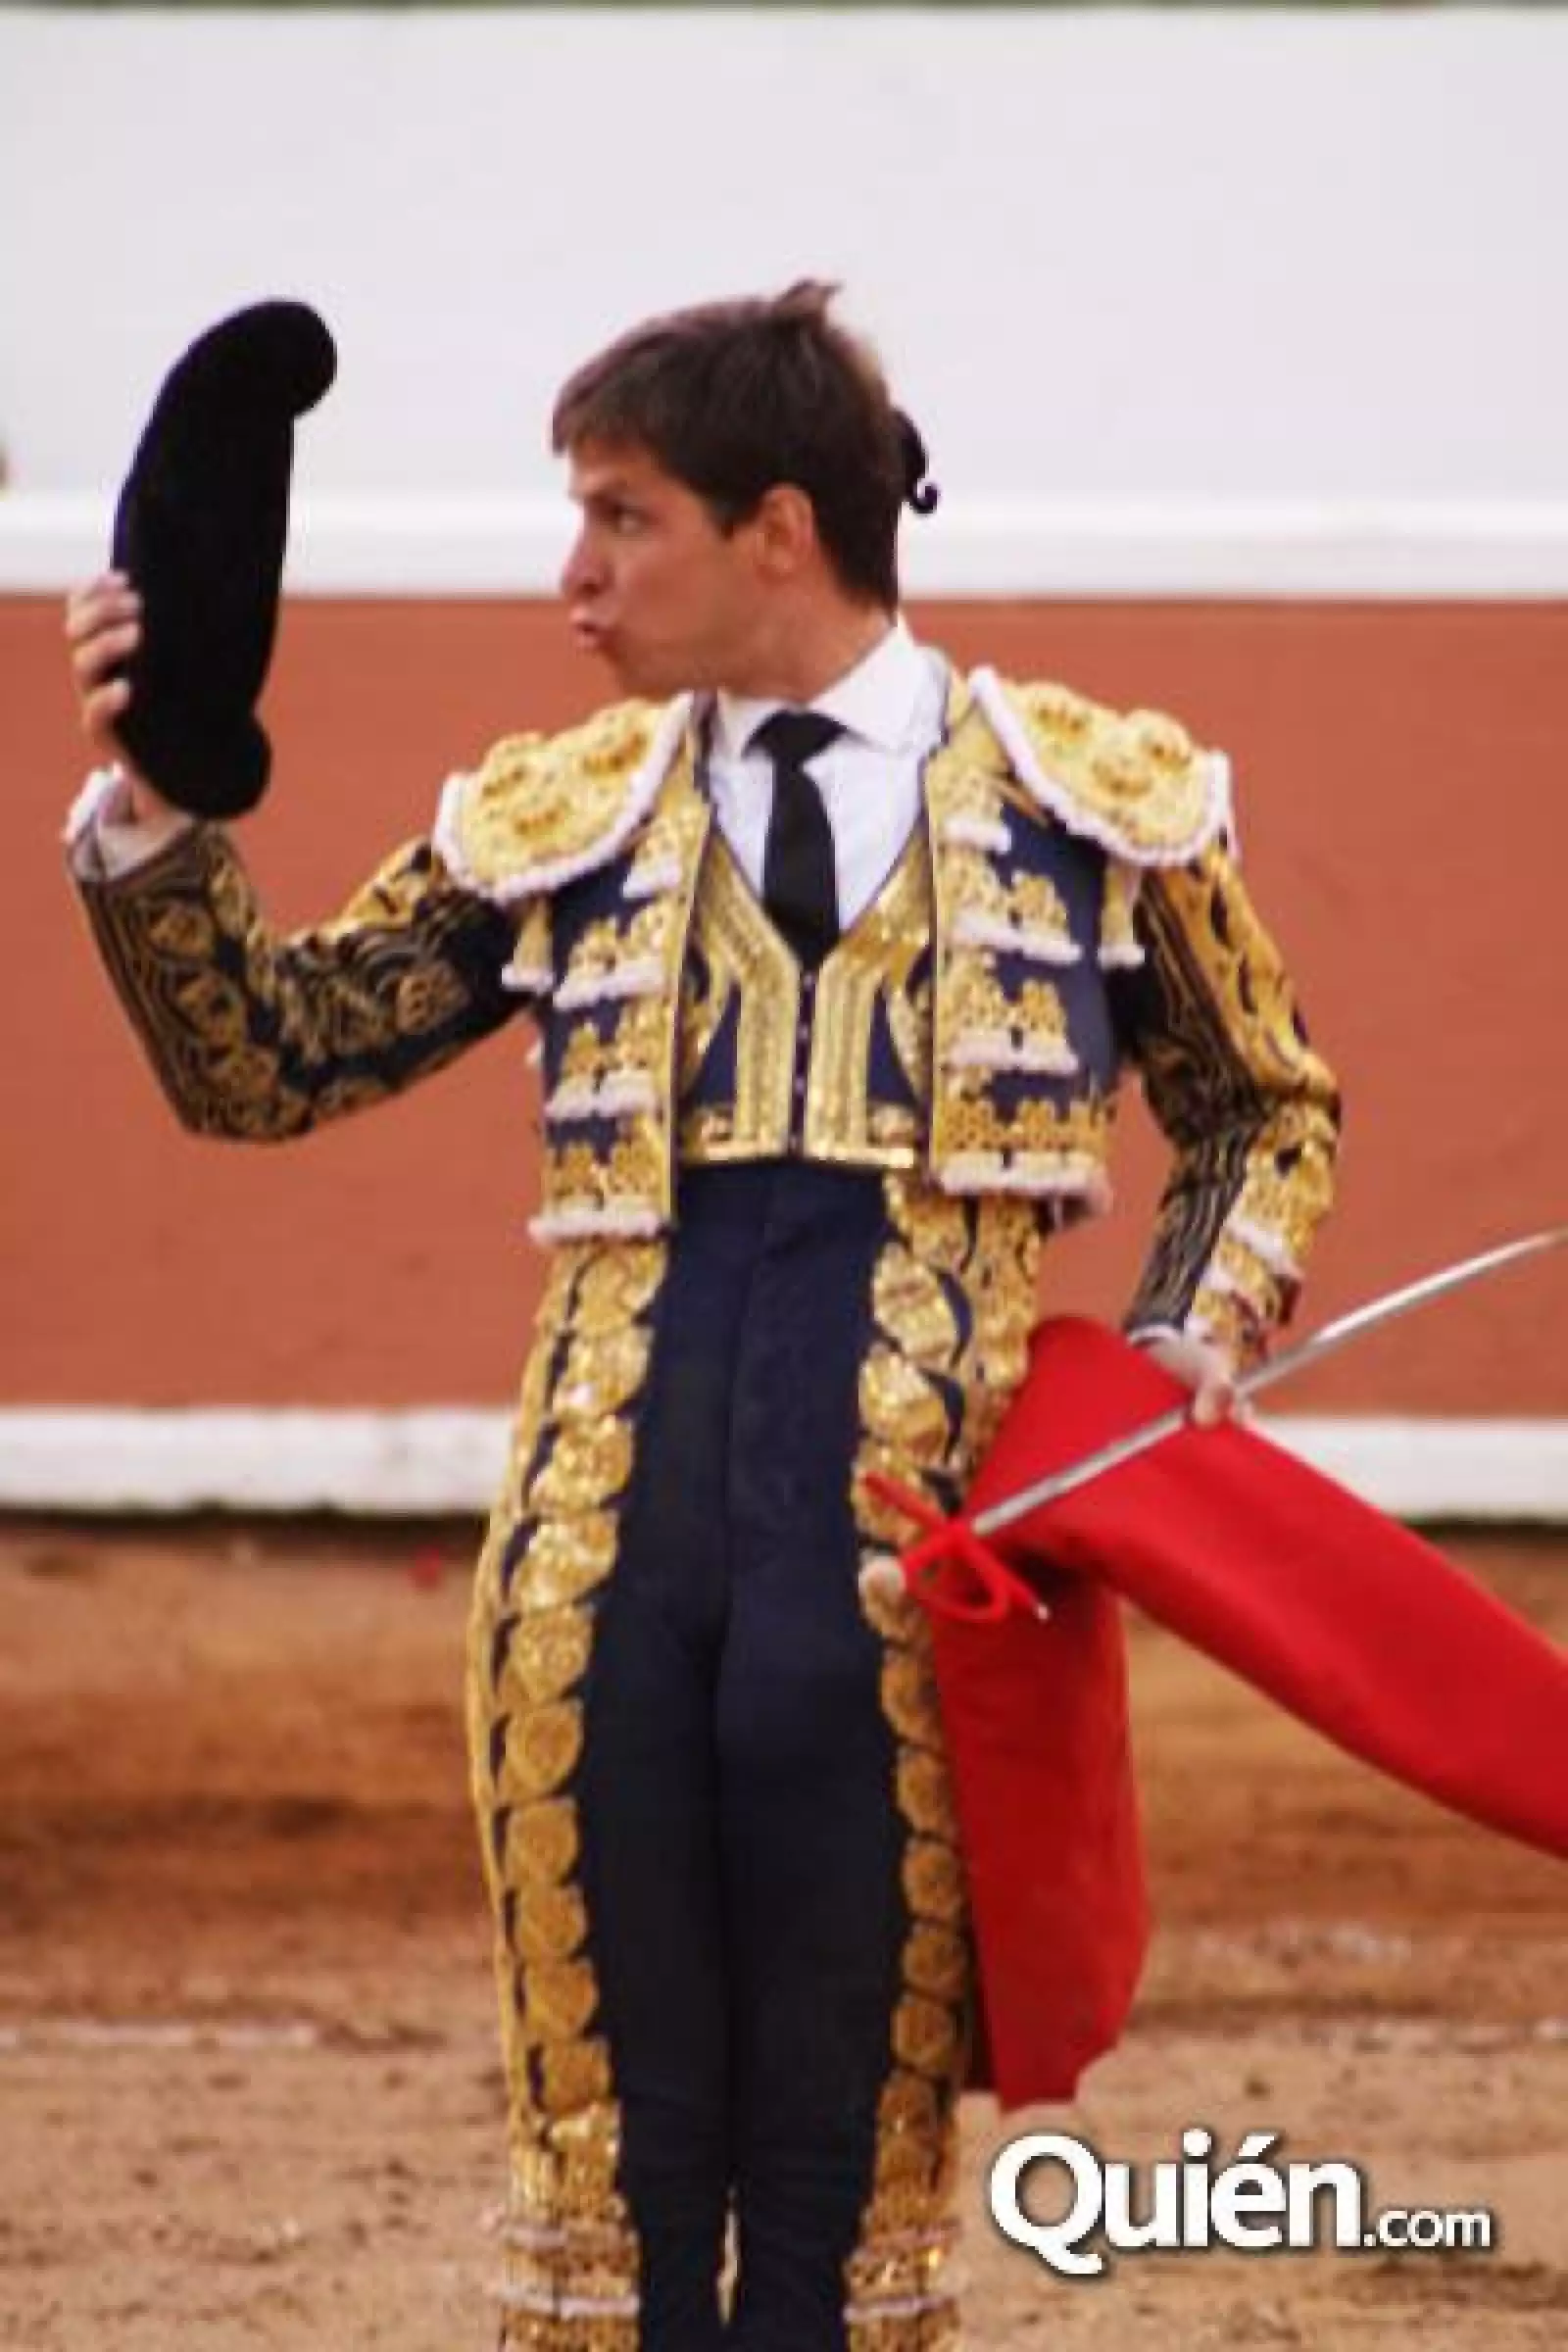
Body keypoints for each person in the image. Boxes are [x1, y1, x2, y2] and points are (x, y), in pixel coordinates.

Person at [63, 281, 1340, 2352]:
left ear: (776, 527)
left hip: (909, 1582)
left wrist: (1194, 1323)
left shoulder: (1081, 798)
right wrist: (157, 806)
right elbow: (268, 1060)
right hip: (598, 1571)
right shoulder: (560, 817)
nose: (571, 577)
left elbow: (1260, 1106)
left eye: (617, 517)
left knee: (846, 2201)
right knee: (606, 2184)